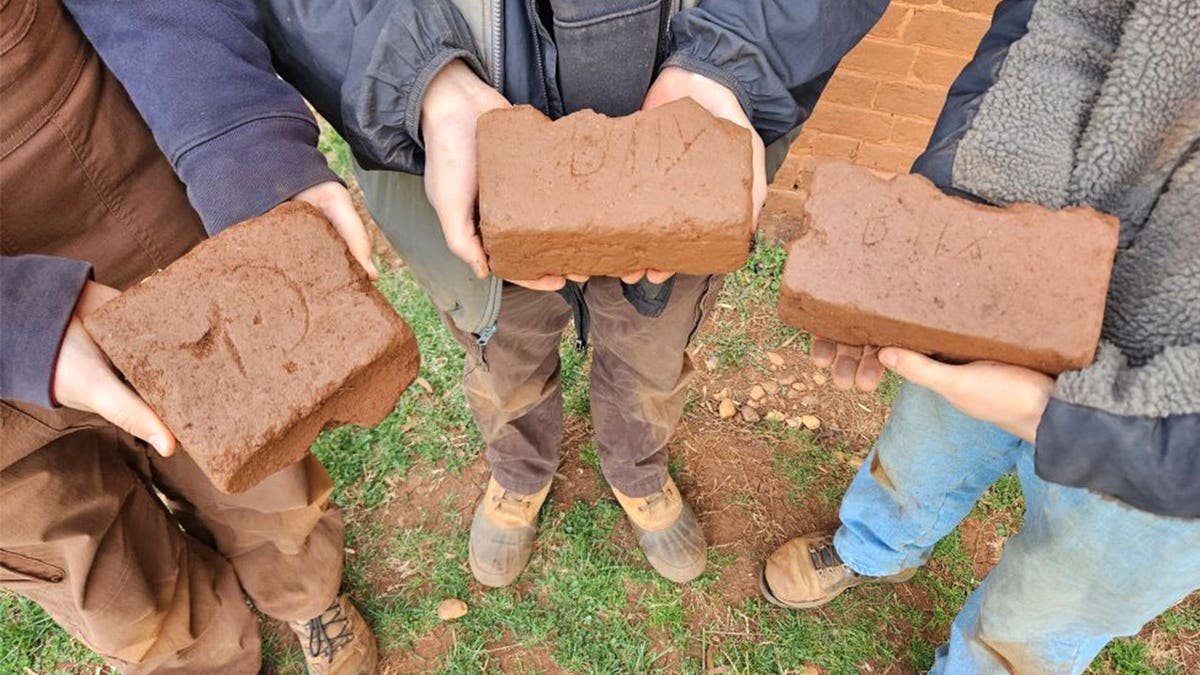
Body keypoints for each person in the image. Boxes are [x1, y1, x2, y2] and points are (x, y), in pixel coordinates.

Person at [244, 0, 889, 588]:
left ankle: (637, 467)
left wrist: (737, 56)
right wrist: (422, 79)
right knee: (505, 354)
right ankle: (520, 471)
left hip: (683, 152)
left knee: (651, 354)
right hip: (456, 151)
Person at [759, 0, 1200, 672]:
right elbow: (1064, 23)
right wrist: (968, 214)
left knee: (1059, 601)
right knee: (925, 444)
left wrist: (1137, 436)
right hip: (1016, 278)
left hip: (1174, 463)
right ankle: (875, 545)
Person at [0, 1, 380, 672]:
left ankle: (302, 592)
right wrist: (18, 325)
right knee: (92, 563)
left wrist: (242, 151)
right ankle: (206, 658)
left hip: (106, 186)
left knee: (253, 455)